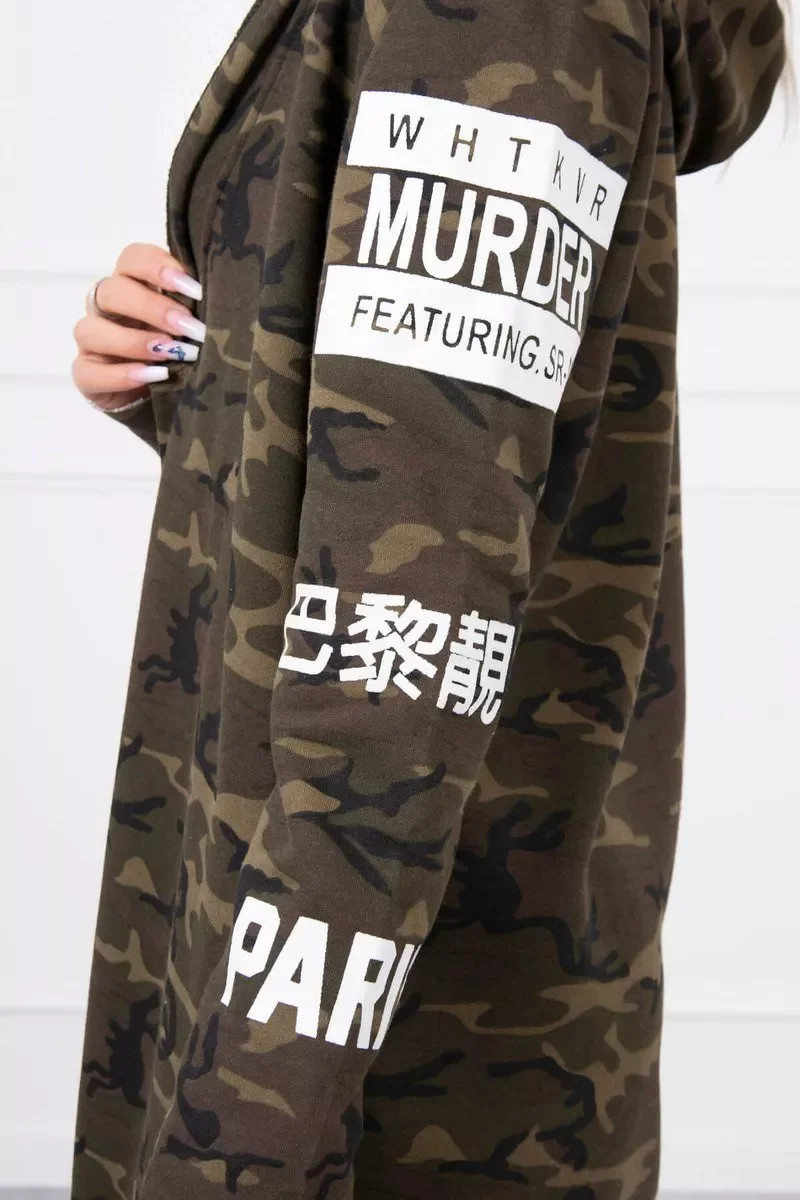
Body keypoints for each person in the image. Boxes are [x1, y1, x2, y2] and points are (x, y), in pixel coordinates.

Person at [69, 1, 787, 1197]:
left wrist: (235, 1148)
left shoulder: (497, 14)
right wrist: (210, 389)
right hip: (417, 1017)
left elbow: (396, 666)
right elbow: (450, 497)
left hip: (360, 1084)